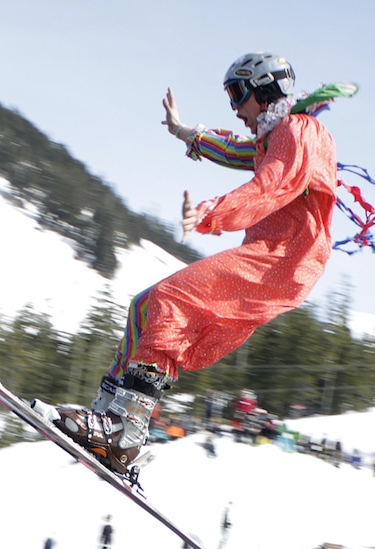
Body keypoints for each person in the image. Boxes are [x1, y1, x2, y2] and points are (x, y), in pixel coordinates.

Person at [40, 53, 339, 476]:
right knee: (143, 306)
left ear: (266, 90)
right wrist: (185, 131)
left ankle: (124, 432)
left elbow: (270, 187)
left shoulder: (300, 131)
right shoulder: (277, 135)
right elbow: (240, 152)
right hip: (275, 255)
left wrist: (209, 213)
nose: (235, 108)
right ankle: (107, 413)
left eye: (239, 94)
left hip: (285, 257)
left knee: (170, 299)